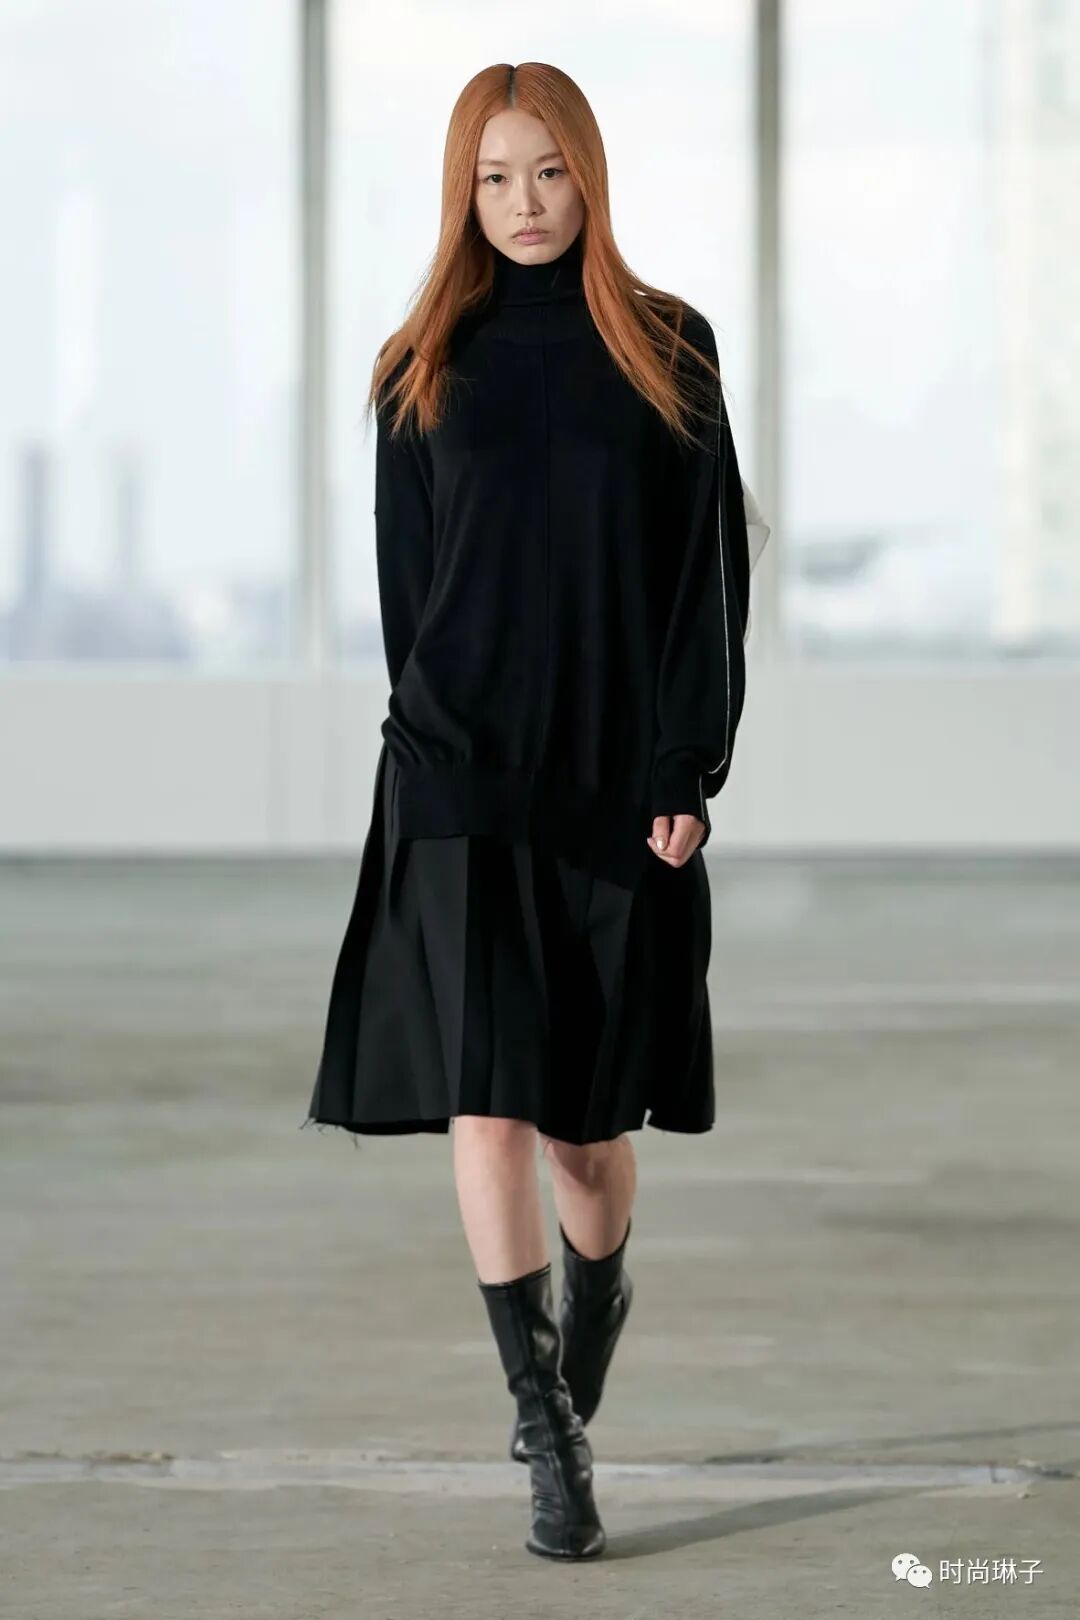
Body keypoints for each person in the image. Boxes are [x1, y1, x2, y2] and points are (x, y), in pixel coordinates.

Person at [301, 61, 751, 1562]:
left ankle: (595, 1290)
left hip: (614, 780)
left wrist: (686, 765)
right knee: (485, 1098)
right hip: (459, 770)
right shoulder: (419, 363)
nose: (525, 202)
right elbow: (406, 594)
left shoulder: (669, 347)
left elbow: (701, 580)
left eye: (547, 171)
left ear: (588, 173)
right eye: (494, 178)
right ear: (463, 191)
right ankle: (544, 1427)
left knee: (583, 1135)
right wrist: (425, 757)